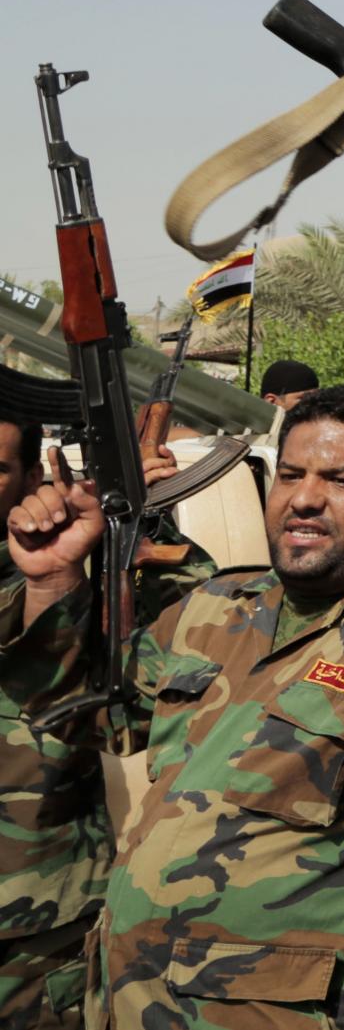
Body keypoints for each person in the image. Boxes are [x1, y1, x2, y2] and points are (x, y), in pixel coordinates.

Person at [3, 385, 344, 1026]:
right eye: (291, 474)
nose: (304, 497)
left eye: (342, 479)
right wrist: (54, 582)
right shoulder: (216, 607)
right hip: (135, 1001)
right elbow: (90, 717)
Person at [0, 407, 213, 1027]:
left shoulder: (65, 562)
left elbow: (198, 646)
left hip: (32, 920)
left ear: (29, 478)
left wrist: (136, 516)